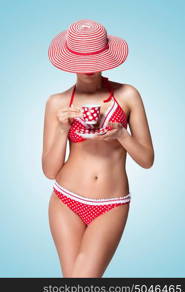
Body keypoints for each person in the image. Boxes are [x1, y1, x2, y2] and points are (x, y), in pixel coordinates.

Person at [42, 19, 154, 278]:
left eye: (95, 59)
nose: (89, 68)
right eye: (82, 60)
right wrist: (61, 129)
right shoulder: (56, 103)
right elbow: (49, 170)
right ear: (70, 60)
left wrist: (122, 135)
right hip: (65, 199)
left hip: (111, 204)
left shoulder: (128, 95)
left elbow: (147, 159)